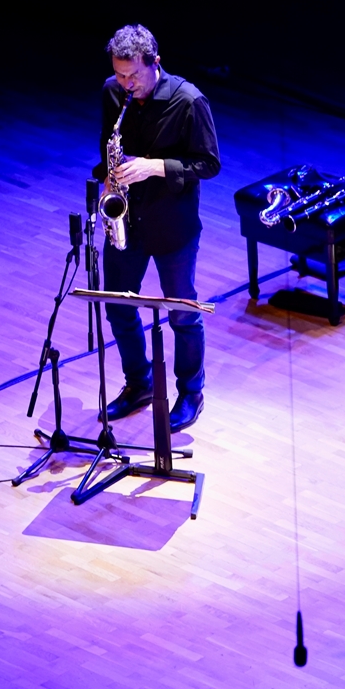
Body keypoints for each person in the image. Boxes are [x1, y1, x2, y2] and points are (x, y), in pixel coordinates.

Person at [94, 24, 221, 432]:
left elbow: (209, 164)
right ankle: (140, 383)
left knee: (182, 312)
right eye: (119, 74)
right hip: (127, 220)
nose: (126, 84)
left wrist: (155, 166)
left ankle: (191, 392)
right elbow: (107, 145)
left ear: (156, 63)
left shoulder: (188, 101)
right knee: (117, 307)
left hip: (172, 225)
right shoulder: (113, 92)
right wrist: (109, 178)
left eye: (133, 75)